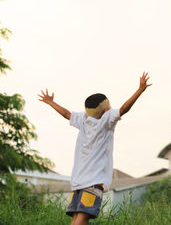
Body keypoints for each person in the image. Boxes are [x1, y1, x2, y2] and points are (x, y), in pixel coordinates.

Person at [38, 72, 151, 225]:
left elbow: (66, 114)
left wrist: (50, 102)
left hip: (78, 182)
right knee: (82, 220)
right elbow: (124, 108)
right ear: (105, 111)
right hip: (93, 181)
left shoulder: (83, 119)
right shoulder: (107, 120)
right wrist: (140, 90)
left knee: (76, 219)